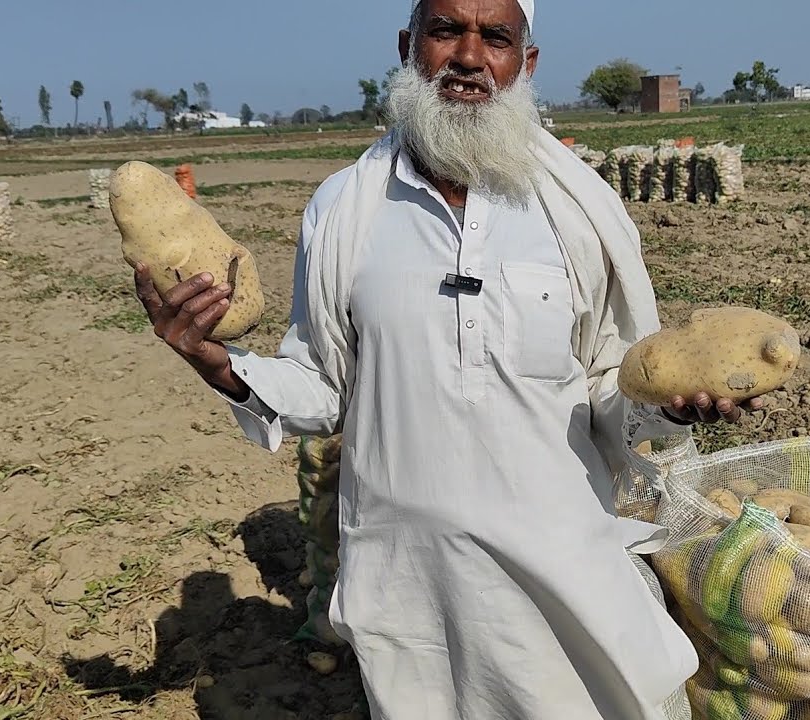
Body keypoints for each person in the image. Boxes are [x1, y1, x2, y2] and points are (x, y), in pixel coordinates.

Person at [132, 0, 766, 717]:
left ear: (524, 63)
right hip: (412, 591)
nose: (468, 57)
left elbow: (611, 383)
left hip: (565, 578)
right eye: (445, 31)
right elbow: (324, 384)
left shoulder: (579, 212)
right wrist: (220, 363)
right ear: (409, 47)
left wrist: (668, 402)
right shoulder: (344, 209)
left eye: (495, 36)